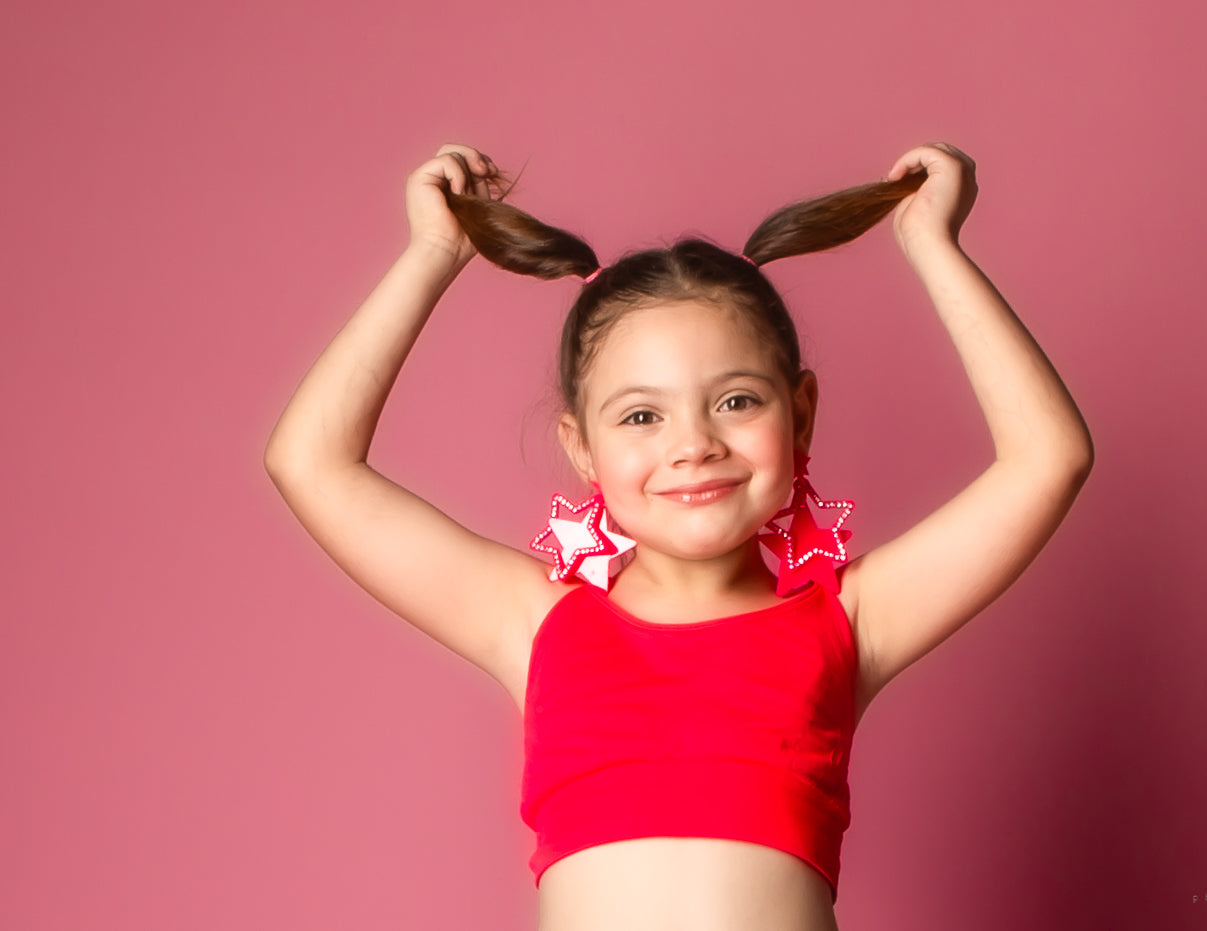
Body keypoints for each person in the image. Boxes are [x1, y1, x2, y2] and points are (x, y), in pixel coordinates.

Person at [263, 140, 1093, 930]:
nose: (692, 443)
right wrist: (431, 254)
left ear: (799, 414)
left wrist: (930, 243)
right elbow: (311, 462)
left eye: (736, 401)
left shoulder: (847, 621)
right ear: (580, 448)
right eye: (640, 415)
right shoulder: (534, 622)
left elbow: (1047, 460)